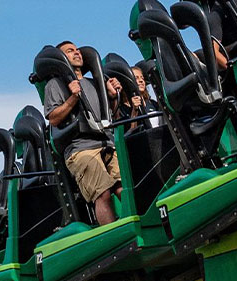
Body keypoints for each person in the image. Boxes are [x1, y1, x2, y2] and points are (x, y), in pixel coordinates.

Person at [43, 41, 123, 226]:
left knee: (122, 187)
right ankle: (111, 234)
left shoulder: (96, 82)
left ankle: (132, 225)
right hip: (80, 148)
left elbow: (113, 116)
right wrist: (73, 97)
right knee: (102, 193)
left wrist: (113, 96)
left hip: (106, 142)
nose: (77, 53)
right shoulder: (55, 85)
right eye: (70, 51)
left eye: (77, 50)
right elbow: (54, 119)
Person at [121, 65, 162, 130]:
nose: (141, 81)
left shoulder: (153, 103)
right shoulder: (124, 110)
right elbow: (132, 131)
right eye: (136, 78)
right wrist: (135, 110)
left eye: (142, 78)